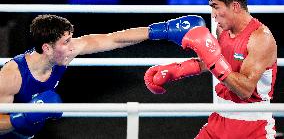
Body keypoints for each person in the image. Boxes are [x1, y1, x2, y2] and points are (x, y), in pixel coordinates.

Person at [0, 14, 205, 138]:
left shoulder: (63, 53)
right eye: (66, 42)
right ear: (47, 47)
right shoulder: (12, 75)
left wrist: (161, 30)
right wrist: (24, 117)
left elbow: (114, 39)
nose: (73, 47)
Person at [144, 0, 277, 139]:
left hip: (253, 127)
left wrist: (213, 60)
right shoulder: (222, 29)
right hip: (219, 120)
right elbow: (215, 61)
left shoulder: (260, 38)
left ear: (235, 6)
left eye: (216, 7)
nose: (213, 15)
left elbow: (245, 90)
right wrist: (176, 70)